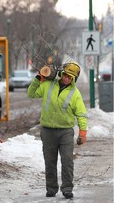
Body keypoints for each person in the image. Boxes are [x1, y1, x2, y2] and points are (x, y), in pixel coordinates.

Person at [27, 61, 87, 199]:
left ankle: (67, 188)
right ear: (61, 74)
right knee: (50, 161)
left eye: (70, 77)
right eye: (65, 75)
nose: (66, 78)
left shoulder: (74, 93)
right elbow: (31, 93)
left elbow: (81, 114)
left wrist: (83, 132)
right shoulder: (48, 85)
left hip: (65, 131)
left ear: (73, 79)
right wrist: (38, 79)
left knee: (67, 161)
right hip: (48, 130)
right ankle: (51, 188)